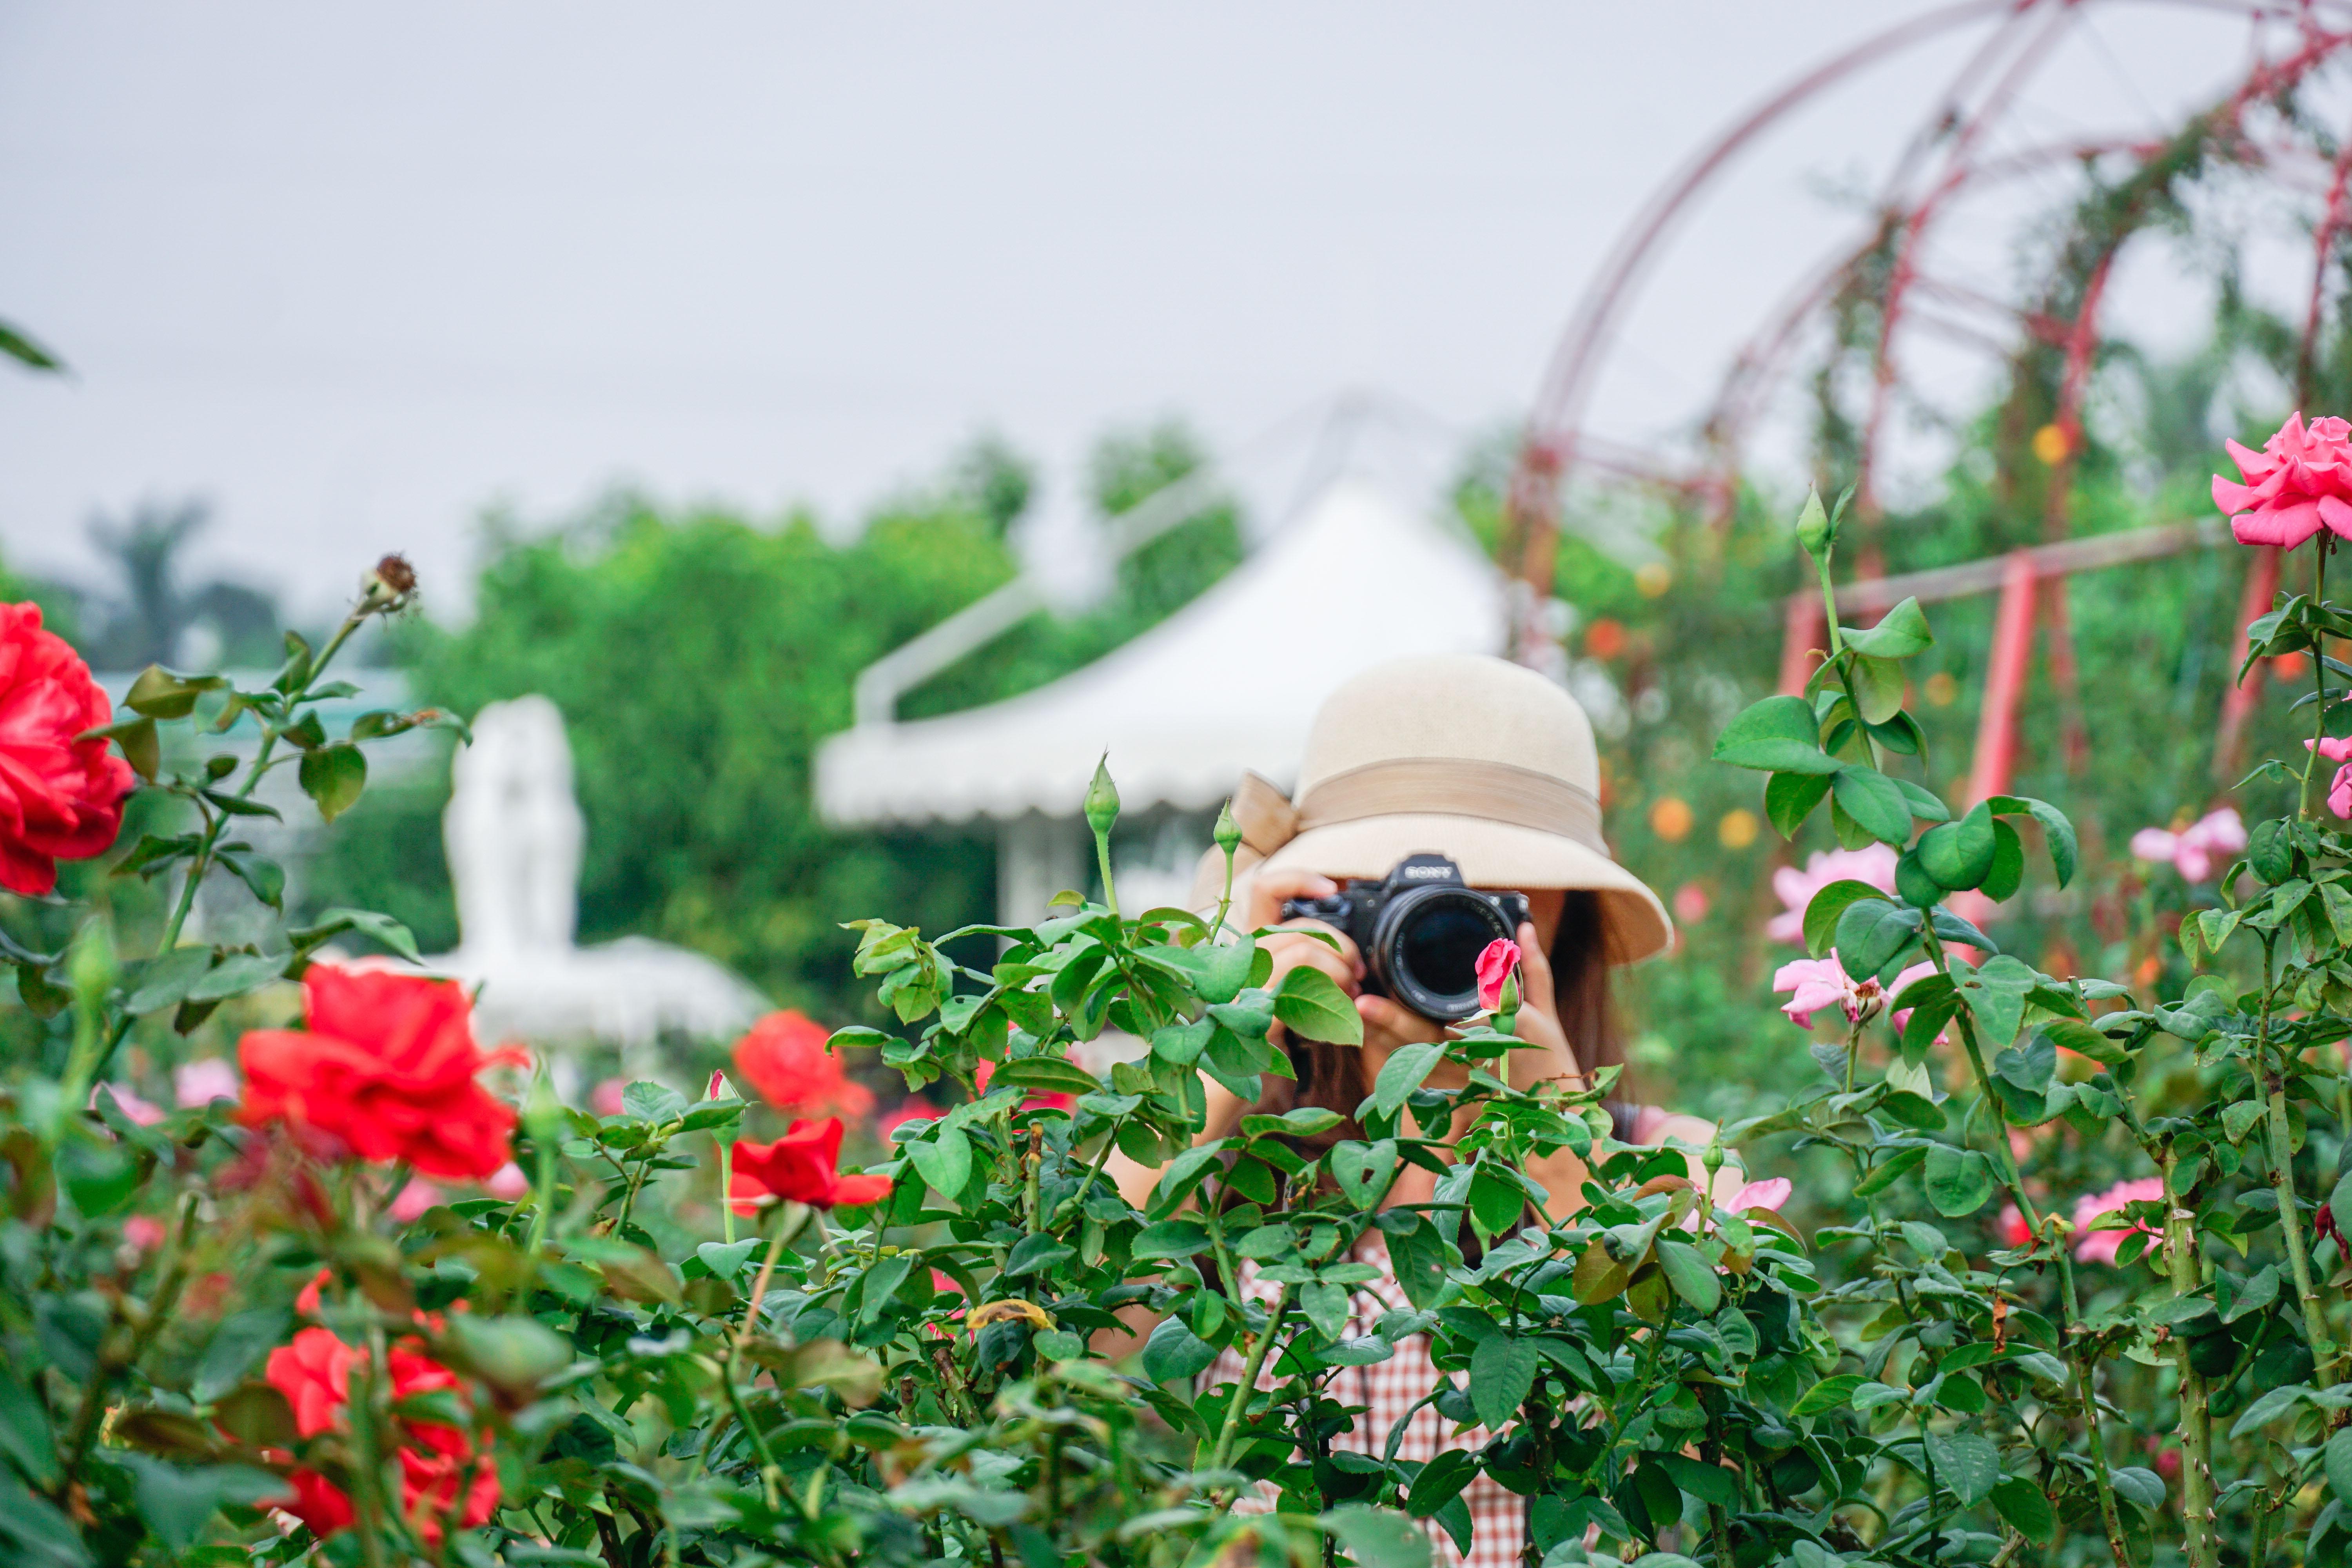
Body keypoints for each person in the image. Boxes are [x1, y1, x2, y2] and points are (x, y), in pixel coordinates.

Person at [1099, 652, 1722, 1568]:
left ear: (1567, 921)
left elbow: (1715, 1445)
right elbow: (1079, 1342)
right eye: (1394, 892)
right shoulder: (1240, 1166)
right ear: (1325, 905)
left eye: (1485, 895)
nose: (1442, 926)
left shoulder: (1670, 1161)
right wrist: (1235, 1029)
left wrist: (1559, 1138)